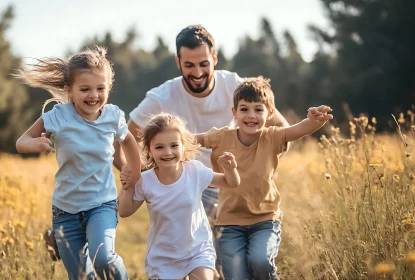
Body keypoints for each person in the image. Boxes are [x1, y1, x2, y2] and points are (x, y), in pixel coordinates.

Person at [118, 24, 289, 222]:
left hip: (233, 182)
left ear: (214, 58)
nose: (198, 73)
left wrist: (260, 166)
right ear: (178, 62)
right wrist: (136, 175)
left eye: (204, 64)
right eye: (189, 65)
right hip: (189, 187)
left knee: (237, 248)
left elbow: (282, 129)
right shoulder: (161, 97)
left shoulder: (234, 85)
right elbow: (125, 138)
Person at [14, 46, 141, 280]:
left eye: (100, 88)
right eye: (85, 89)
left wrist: (132, 171)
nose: (93, 95)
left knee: (103, 258)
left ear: (108, 88)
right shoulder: (58, 116)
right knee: (82, 276)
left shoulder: (112, 117)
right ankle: (57, 240)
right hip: (65, 211)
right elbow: (22, 141)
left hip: (101, 205)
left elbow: (128, 141)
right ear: (69, 90)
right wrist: (36, 145)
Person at [196, 76, 333, 280]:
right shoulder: (222, 137)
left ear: (269, 113)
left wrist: (314, 122)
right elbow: (189, 140)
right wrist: (166, 141)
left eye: (258, 109)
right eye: (244, 109)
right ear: (234, 113)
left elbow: (298, 130)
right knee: (235, 274)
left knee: (260, 261)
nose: (251, 115)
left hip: (265, 220)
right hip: (229, 222)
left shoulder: (272, 137)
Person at [117, 113, 241, 280]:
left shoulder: (195, 171)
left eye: (174, 145)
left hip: (198, 250)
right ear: (149, 150)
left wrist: (230, 168)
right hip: (163, 257)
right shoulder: (146, 180)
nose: (168, 152)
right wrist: (129, 186)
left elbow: (230, 182)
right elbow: (125, 211)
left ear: (183, 146)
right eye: (159, 147)